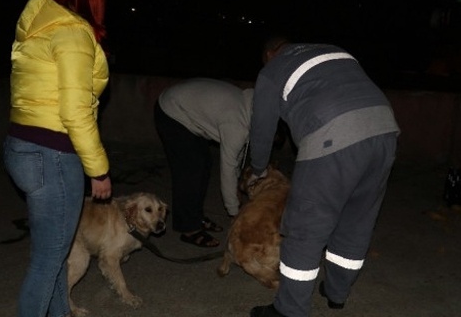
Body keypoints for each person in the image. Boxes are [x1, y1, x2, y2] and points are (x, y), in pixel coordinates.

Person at [248, 37, 400, 317]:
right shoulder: (336, 50)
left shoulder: (272, 69)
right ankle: (336, 294)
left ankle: (288, 311)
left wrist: (257, 169)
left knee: (306, 229)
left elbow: (262, 128)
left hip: (332, 136)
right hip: (385, 131)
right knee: (356, 220)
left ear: (270, 53)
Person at [2, 0, 112, 316]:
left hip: (21, 145)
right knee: (48, 263)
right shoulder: (72, 32)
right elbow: (75, 111)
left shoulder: (38, 28)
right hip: (53, 154)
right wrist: (99, 170)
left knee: (51, 255)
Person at [154, 77, 253, 247]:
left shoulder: (251, 110)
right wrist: (234, 212)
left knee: (204, 163)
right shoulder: (237, 125)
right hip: (171, 110)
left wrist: (237, 185)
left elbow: (238, 155)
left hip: (188, 109)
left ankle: (196, 216)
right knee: (190, 169)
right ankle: (188, 228)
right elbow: (228, 168)